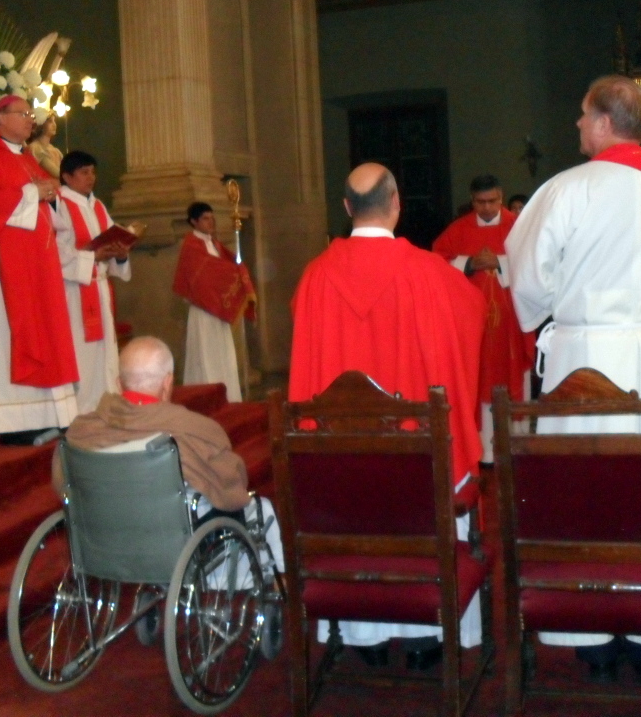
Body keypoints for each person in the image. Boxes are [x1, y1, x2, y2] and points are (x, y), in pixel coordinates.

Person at [505, 74, 641, 686]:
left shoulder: (567, 189)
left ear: (605, 122)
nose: (577, 125)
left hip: (584, 361)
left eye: (583, 115)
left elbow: (528, 279)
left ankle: (591, 636)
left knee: (585, 495)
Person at [289, 162, 486, 671]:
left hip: (343, 460)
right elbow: (474, 317)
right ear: (397, 203)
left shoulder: (314, 277)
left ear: (346, 208)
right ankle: (424, 635)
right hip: (416, 464)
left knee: (353, 492)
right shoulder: (429, 273)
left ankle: (363, 634)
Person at [52, 336, 282, 567]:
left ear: (119, 383)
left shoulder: (81, 431)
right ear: (168, 382)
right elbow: (231, 479)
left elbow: (63, 486)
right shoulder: (194, 429)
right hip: (172, 539)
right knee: (261, 509)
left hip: (105, 536)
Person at [0, 95, 78, 444]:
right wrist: (32, 192)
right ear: (0, 117)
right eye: (23, 113)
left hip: (38, 265)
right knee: (11, 332)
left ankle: (47, 415)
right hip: (0, 265)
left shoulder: (26, 158)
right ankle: (12, 421)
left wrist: (50, 194)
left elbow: (47, 207)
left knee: (45, 330)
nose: (30, 120)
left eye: (30, 114)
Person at [433, 174, 532, 461]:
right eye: (480, 202)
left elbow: (536, 261)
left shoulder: (519, 226)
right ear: (472, 200)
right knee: (477, 377)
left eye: (492, 201)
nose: (487, 208)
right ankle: (482, 451)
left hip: (511, 323)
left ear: (501, 197)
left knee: (511, 374)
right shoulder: (458, 229)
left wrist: (500, 263)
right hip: (472, 324)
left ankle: (515, 446)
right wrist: (469, 263)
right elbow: (437, 260)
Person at [55, 150, 131, 414]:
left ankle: (108, 404)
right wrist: (91, 257)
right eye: (84, 172)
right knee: (83, 353)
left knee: (106, 351)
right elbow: (56, 252)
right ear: (67, 177)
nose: (91, 178)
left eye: (93, 172)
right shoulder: (59, 204)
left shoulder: (97, 205)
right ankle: (84, 411)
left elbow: (109, 240)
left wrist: (120, 254)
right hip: (74, 291)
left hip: (99, 286)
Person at [172, 202, 255, 402]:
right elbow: (202, 278)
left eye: (212, 218)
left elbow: (227, 266)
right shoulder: (191, 245)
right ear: (194, 221)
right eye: (205, 219)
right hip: (204, 310)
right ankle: (206, 399)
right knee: (205, 355)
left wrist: (238, 268)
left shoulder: (215, 244)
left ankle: (228, 397)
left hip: (219, 309)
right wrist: (230, 273)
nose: (211, 222)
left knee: (222, 354)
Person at [28, 113, 63, 178]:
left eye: (54, 121)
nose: (54, 125)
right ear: (42, 125)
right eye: (50, 121)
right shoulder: (35, 147)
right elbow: (56, 172)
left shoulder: (56, 151)